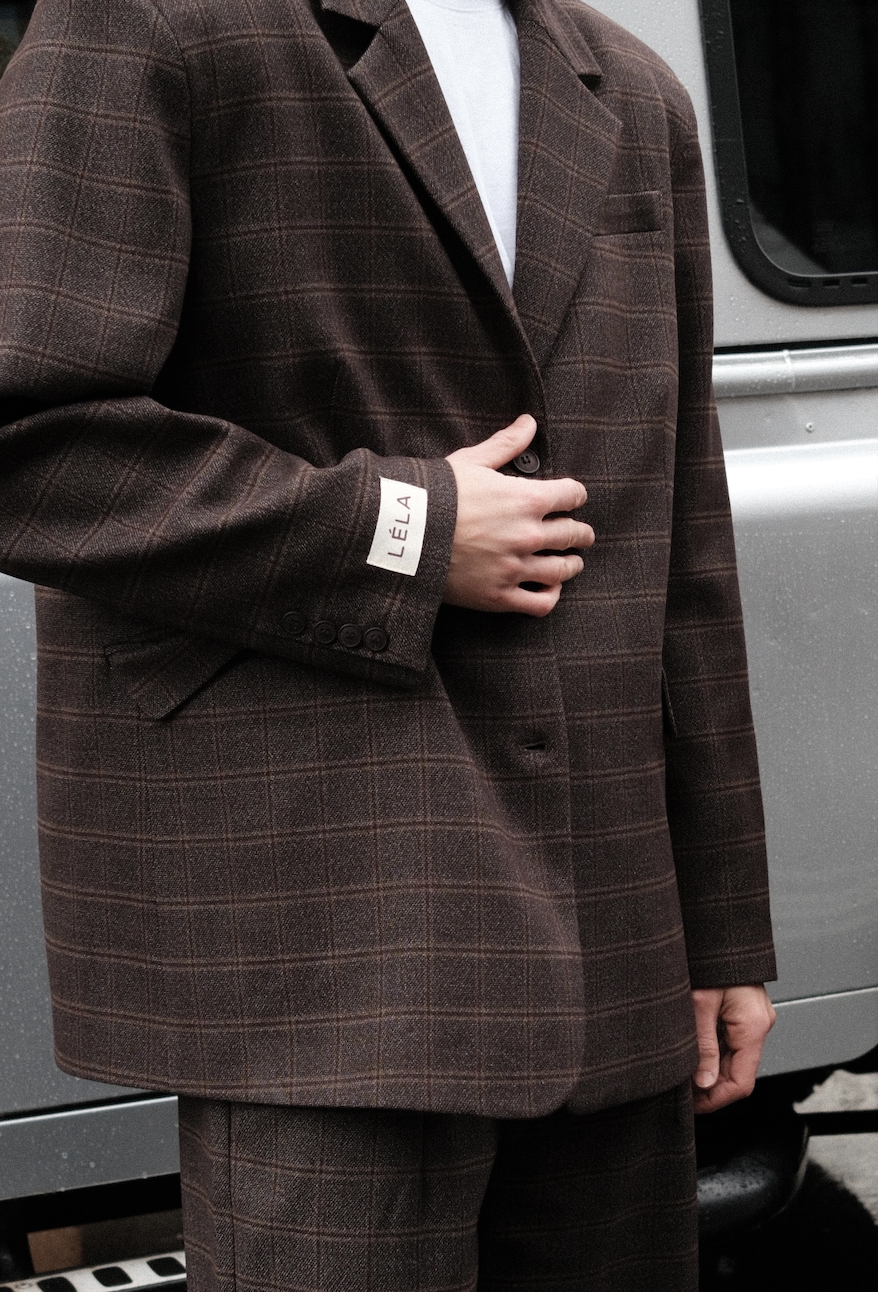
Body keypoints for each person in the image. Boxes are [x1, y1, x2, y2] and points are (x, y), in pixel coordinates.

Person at [0, 0, 777, 1287]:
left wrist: (719, 927)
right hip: (326, 924)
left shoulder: (634, 92)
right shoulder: (154, 23)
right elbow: (32, 440)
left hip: (611, 929)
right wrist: (401, 529)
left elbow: (680, 539)